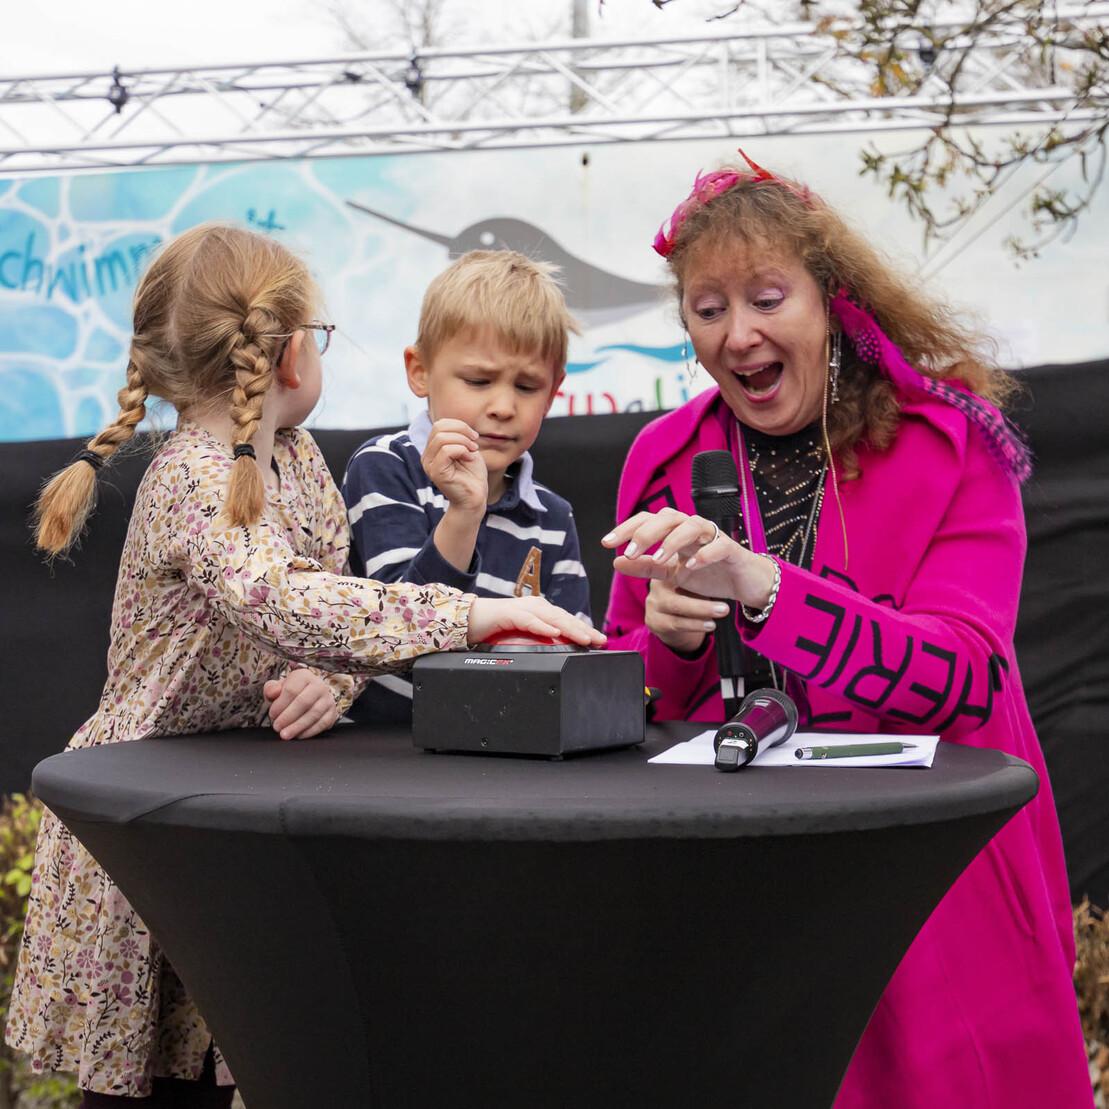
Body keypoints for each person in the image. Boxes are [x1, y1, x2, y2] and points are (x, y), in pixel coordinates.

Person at [4, 224, 603, 1108]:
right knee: (152, 1091)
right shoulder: (192, 479)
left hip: (230, 810)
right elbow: (283, 600)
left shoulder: (295, 465)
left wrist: (341, 680)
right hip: (154, 822)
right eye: (318, 336)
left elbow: (339, 605)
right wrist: (473, 610)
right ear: (289, 355)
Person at [602, 154, 1092, 1106]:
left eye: (765, 297)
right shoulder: (662, 459)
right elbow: (624, 694)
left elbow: (959, 675)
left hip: (931, 881)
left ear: (831, 299)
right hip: (751, 894)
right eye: (707, 311)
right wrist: (670, 638)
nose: (737, 333)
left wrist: (761, 585)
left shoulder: (949, 440)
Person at [341, 250, 591, 719]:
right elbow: (402, 633)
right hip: (379, 752)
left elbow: (574, 656)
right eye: (479, 380)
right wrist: (464, 513)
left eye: (526, 386)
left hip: (505, 743)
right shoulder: (382, 467)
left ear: (554, 391)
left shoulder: (554, 518)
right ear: (419, 372)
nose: (502, 405)